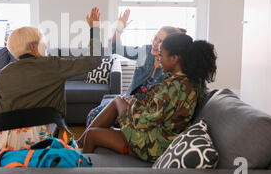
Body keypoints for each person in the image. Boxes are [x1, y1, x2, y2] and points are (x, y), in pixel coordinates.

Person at [79, 33, 217, 163]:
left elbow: (142, 121)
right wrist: (133, 102)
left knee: (93, 133)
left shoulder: (175, 88)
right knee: (118, 101)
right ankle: (76, 145)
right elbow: (157, 111)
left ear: (175, 58)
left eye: (161, 55)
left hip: (152, 146)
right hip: (156, 135)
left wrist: (128, 107)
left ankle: (79, 169)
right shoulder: (187, 81)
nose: (158, 58)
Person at [0, 7, 102, 151]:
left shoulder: (4, 72)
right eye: (43, 42)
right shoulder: (52, 64)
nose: (46, 45)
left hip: (1, 139)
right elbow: (93, 60)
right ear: (33, 47)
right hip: (42, 137)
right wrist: (95, 29)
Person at [84, 8, 185, 128]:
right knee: (92, 114)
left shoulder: (170, 69)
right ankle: (81, 144)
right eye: (156, 38)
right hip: (128, 102)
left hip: (143, 112)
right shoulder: (146, 52)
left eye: (161, 41)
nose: (155, 43)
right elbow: (115, 48)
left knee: (99, 119)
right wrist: (119, 29)